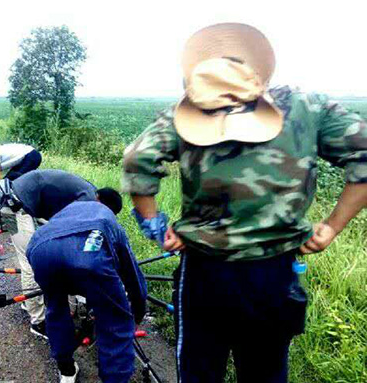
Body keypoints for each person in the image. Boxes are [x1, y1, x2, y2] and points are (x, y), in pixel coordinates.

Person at [122, 23, 367, 383]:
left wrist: (156, 226)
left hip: (205, 273)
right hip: (276, 272)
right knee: (265, 373)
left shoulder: (184, 110)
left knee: (200, 372)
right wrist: (331, 227)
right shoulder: (307, 107)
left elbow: (136, 160)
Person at [0, 169, 123, 339]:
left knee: (36, 254)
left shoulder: (88, 192)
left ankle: (30, 302)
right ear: (102, 205)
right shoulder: (89, 201)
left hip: (12, 202)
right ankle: (38, 322)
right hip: (15, 206)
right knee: (30, 262)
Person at [26, 201, 147, 383]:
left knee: (56, 309)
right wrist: (136, 315)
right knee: (116, 322)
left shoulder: (72, 208)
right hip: (89, 258)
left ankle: (66, 370)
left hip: (39, 249)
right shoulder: (112, 223)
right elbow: (133, 278)